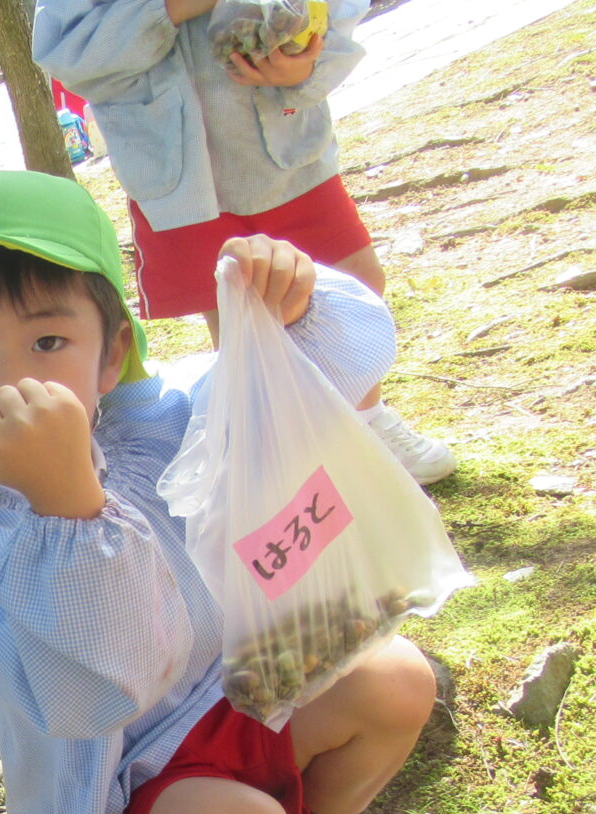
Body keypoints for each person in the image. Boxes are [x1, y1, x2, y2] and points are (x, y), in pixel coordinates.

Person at [0, 171, 470, 814]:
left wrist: (297, 308)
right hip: (130, 779)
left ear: (110, 354)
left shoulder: (163, 418)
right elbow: (103, 690)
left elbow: (334, 383)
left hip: (245, 688)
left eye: (47, 341)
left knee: (397, 680)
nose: (6, 381)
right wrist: (68, 507)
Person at [34, 0, 458, 484]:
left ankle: (366, 417)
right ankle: (289, 453)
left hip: (281, 148)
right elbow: (70, 48)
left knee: (353, 278)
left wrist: (307, 66)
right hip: (181, 169)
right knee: (242, 316)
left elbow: (334, 12)